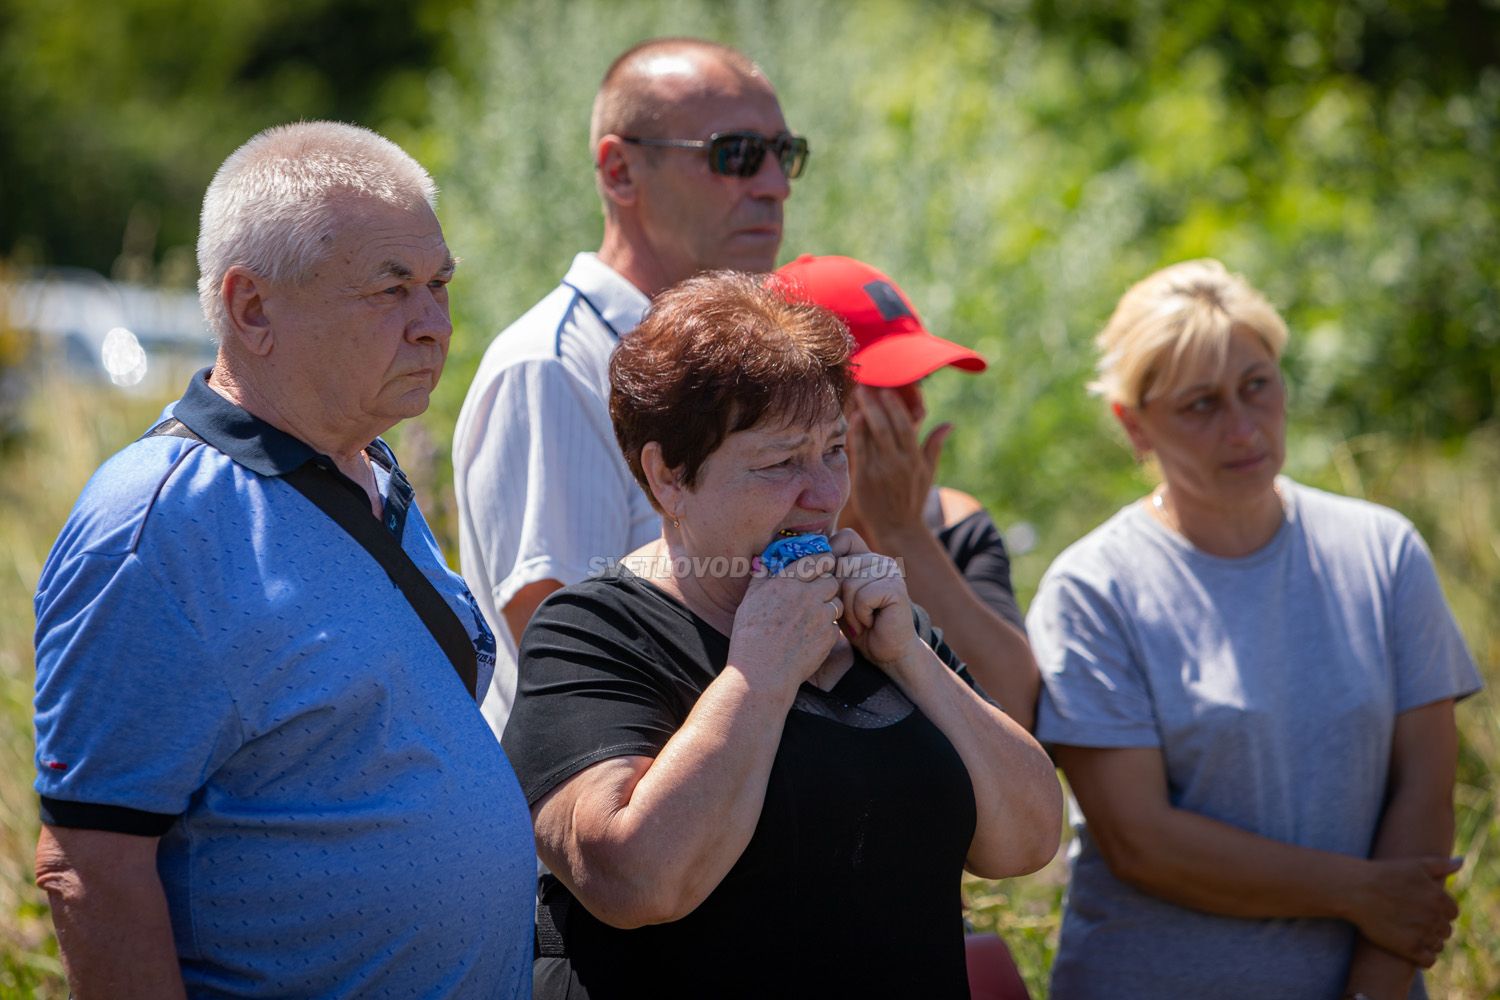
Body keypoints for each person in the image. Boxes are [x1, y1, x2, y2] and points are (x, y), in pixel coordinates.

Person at [32, 122, 535, 998]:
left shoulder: (366, 465)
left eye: (440, 283)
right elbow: (90, 865)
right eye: (392, 290)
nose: (434, 324)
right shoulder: (157, 527)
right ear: (252, 307)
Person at [500, 272, 1062, 998]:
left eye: (833, 449)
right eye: (779, 463)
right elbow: (635, 880)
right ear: (668, 477)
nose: (826, 495)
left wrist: (910, 656)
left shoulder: (879, 625)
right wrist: (757, 678)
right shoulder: (595, 630)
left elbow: (1028, 840)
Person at [1026, 259, 1482, 999]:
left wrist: (1375, 987)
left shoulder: (1383, 551)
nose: (1242, 428)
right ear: (1133, 424)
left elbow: (1424, 790)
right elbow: (1142, 843)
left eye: (1257, 386)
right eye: (1200, 405)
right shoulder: (1093, 589)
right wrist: (1358, 892)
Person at [452, 37, 808, 733]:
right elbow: (577, 657)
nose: (774, 184)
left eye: (784, 153)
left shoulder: (744, 365)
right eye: (734, 154)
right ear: (619, 171)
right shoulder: (554, 366)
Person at [774, 253, 1040, 729]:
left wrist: (905, 534)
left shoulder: (953, 520)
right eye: (889, 386)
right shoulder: (749, 542)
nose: (917, 410)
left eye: (920, 381)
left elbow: (1019, 714)